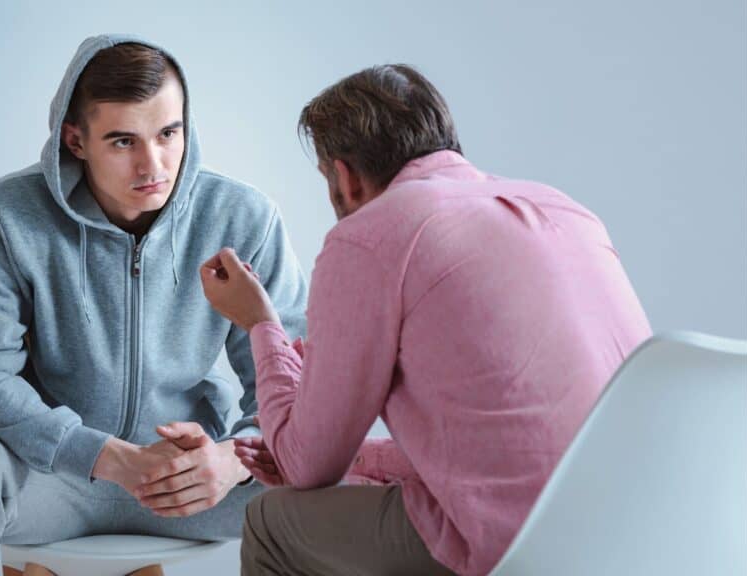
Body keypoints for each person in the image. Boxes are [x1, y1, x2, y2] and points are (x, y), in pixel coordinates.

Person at [200, 64, 651, 575]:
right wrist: (358, 461)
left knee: (270, 522)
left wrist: (261, 323)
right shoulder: (568, 211)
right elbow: (505, 444)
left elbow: (307, 467)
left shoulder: (371, 235)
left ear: (343, 178)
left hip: (525, 550)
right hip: (643, 533)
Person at [0, 34, 307, 576]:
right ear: (76, 140)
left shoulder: (243, 218)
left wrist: (232, 459)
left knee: (328, 482)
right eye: (124, 142)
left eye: (170, 133)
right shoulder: (6, 217)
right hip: (54, 477)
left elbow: (298, 378)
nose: (154, 164)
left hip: (195, 482)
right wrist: (106, 457)